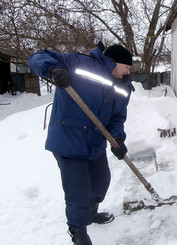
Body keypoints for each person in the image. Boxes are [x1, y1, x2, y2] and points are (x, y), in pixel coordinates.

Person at [28, 41, 134, 245]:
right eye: (127, 67)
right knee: (78, 192)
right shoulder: (79, 62)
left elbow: (117, 118)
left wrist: (117, 138)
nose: (128, 72)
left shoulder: (123, 86)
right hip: (69, 141)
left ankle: (91, 213)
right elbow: (37, 56)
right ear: (115, 62)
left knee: (101, 182)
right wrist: (53, 70)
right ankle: (78, 232)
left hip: (95, 144)